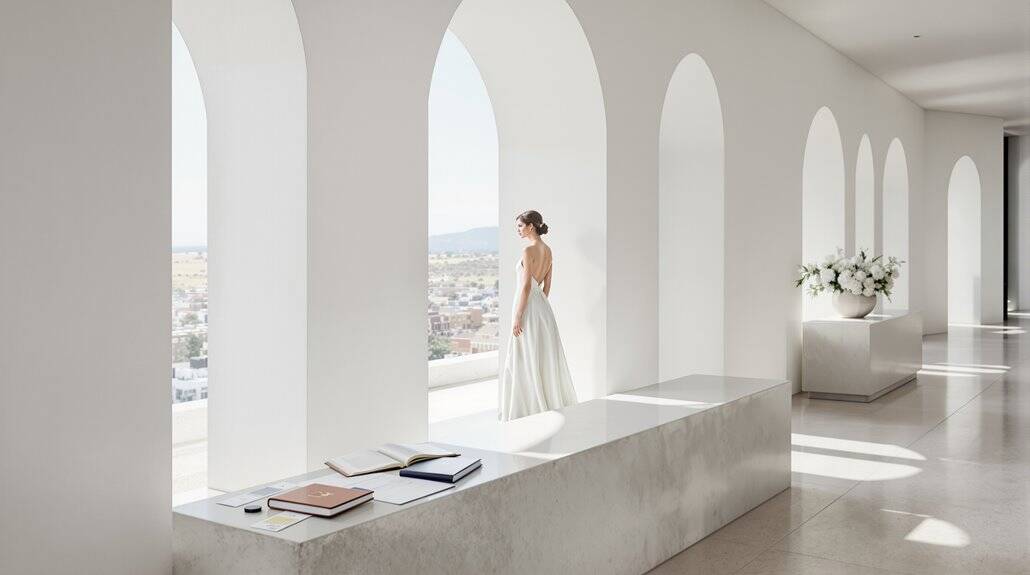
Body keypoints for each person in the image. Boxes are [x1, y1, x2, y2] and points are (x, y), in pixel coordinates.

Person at [499, 210, 578, 421]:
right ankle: (546, 402)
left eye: (519, 226)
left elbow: (525, 286)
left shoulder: (528, 250)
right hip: (543, 308)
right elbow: (546, 287)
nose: (518, 230)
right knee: (542, 354)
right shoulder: (548, 251)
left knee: (525, 354)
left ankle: (526, 408)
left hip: (527, 308)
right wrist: (539, 306)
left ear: (530, 226)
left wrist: (518, 316)